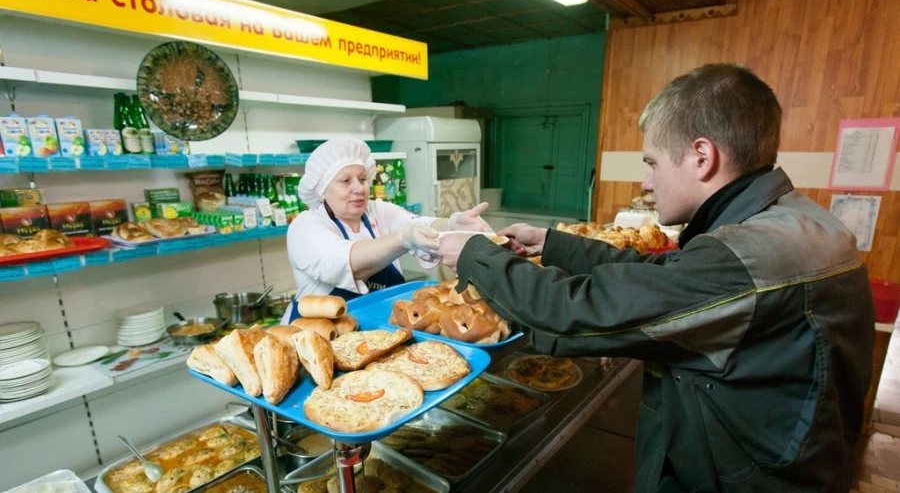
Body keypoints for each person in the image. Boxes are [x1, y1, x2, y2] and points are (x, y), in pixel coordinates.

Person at [438, 64, 875, 492]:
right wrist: (552, 244)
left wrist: (474, 254)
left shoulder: (748, 257)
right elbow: (662, 277)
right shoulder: (788, 222)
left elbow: (575, 314)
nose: (646, 182)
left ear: (702, 157)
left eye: (652, 162)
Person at [281, 138, 491, 324]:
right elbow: (349, 263)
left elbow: (421, 223)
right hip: (321, 334)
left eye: (363, 179)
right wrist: (403, 239)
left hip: (377, 326)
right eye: (345, 181)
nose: (359, 188)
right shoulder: (305, 227)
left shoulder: (377, 210)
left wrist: (454, 224)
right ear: (322, 189)